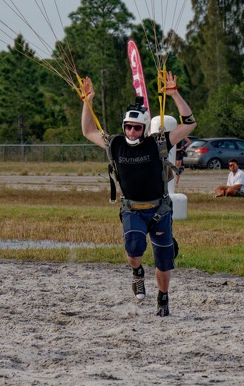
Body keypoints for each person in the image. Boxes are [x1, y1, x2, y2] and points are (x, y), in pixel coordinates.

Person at [81, 72, 195, 316]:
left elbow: (189, 124)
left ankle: (163, 298)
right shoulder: (115, 144)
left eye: (137, 128)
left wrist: (174, 94)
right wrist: (87, 102)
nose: (132, 132)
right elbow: (88, 131)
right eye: (128, 127)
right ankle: (137, 272)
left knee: (164, 261)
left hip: (159, 209)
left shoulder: (158, 143)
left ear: (144, 128)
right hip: (132, 208)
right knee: (133, 249)